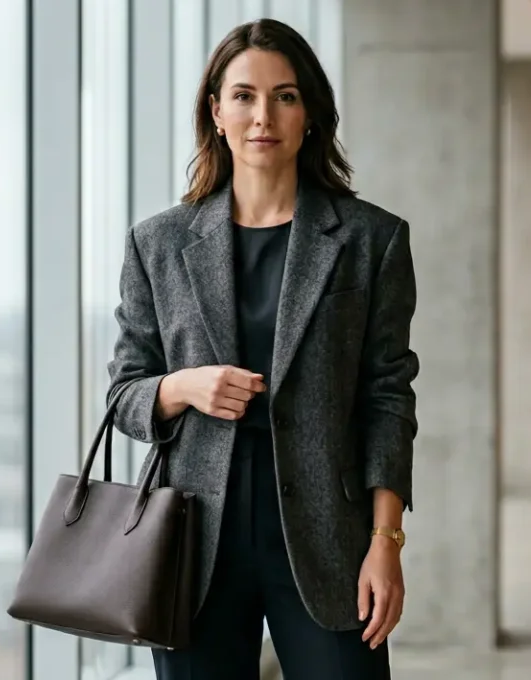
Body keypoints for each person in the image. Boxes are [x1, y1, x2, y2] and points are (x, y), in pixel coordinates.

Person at [106, 18, 417, 680]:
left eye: (285, 96)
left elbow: (388, 398)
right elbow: (124, 395)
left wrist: (386, 541)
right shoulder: (157, 244)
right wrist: (183, 387)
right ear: (216, 113)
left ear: (311, 114)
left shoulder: (371, 240)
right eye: (244, 96)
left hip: (329, 537)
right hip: (193, 540)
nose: (262, 117)